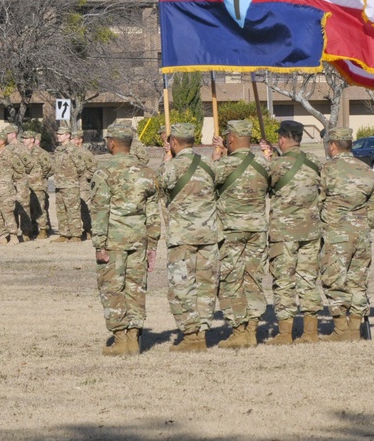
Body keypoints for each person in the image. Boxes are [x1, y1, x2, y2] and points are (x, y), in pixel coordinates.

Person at [93, 123, 159, 356]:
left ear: (111, 143)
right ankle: (134, 337)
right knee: (136, 288)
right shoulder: (147, 173)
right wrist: (153, 245)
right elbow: (153, 214)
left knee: (112, 288)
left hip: (113, 241)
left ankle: (122, 339)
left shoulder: (104, 172)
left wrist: (99, 244)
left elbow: (100, 210)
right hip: (139, 240)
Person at [158, 123, 220, 352]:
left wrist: (166, 158)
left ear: (173, 142)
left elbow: (160, 186)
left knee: (182, 286)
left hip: (182, 236)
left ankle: (191, 334)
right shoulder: (209, 164)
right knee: (206, 285)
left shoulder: (172, 166)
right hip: (208, 235)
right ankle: (202, 331)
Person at [262, 120, 325, 344]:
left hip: (284, 232)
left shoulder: (276, 166)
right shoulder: (314, 161)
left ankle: (286, 333)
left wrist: (270, 158)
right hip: (310, 231)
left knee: (284, 281)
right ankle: (310, 332)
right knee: (308, 279)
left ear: (282, 139)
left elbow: (267, 185)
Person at [210, 120, 271, 349]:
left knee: (231, 280)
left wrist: (217, 157)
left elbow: (210, 183)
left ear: (232, 139)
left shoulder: (224, 166)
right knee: (253, 278)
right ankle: (253, 329)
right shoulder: (264, 164)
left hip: (231, 230)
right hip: (257, 228)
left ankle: (238, 330)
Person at [319, 127, 374, 342]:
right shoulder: (367, 170)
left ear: (333, 145)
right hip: (362, 235)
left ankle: (340, 329)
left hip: (337, 235)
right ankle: (355, 329)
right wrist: (364, 226)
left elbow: (318, 201)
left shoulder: (327, 169)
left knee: (334, 279)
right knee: (358, 281)